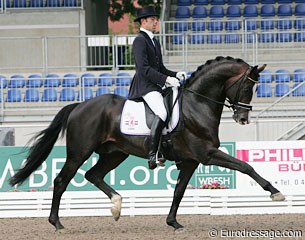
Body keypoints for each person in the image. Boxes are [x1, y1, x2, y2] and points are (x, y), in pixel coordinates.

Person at [128, 5, 187, 169]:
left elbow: (160, 68)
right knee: (162, 112)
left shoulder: (155, 41)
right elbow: (144, 69)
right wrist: (166, 79)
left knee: (176, 103)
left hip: (156, 85)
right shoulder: (139, 40)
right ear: (144, 21)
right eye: (153, 19)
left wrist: (175, 75)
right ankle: (153, 154)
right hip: (145, 86)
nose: (156, 22)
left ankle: (172, 148)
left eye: (156, 19)